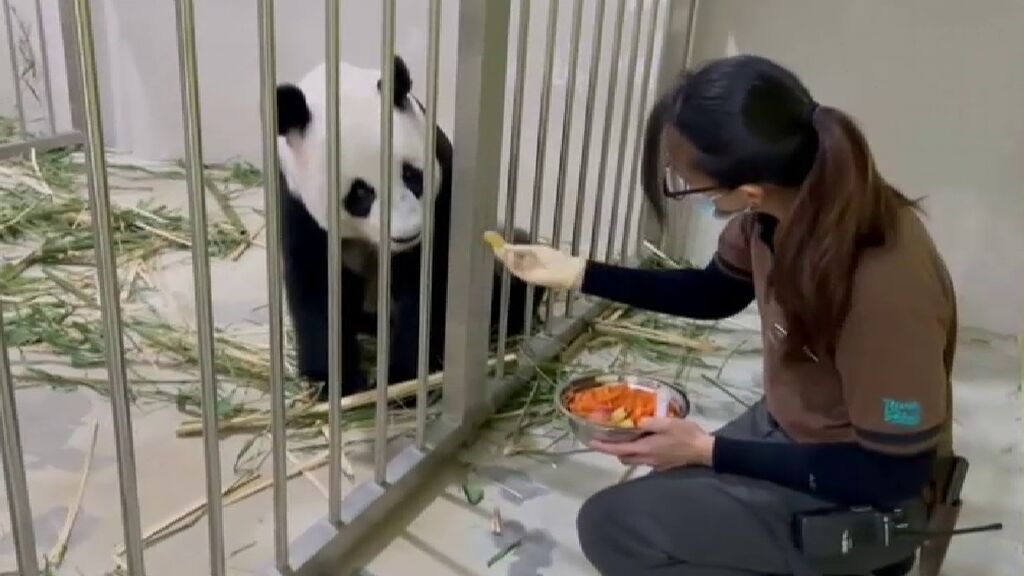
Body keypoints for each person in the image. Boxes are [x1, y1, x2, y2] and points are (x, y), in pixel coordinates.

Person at [493, 55, 956, 576]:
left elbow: (894, 473)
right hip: (795, 420)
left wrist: (710, 451)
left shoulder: (883, 289)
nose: (684, 188)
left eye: (687, 182)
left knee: (613, 528)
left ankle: (861, 564)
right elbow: (714, 293)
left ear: (748, 188)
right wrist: (579, 273)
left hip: (866, 491)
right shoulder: (779, 210)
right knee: (653, 502)